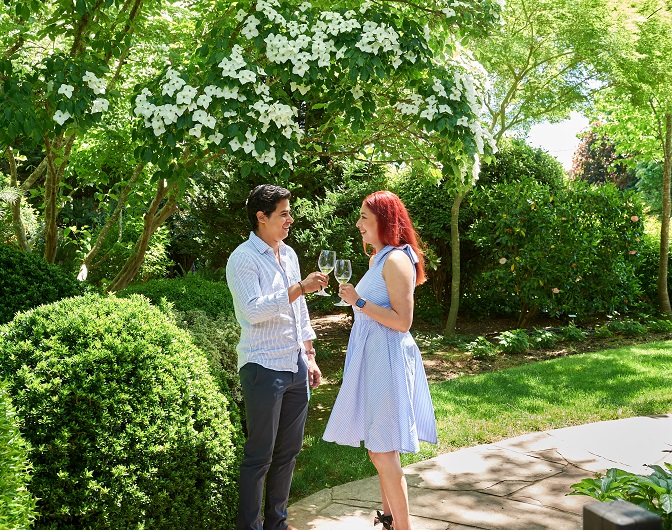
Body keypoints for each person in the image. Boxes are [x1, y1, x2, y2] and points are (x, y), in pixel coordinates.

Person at [323, 190, 438, 530]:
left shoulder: (397, 260)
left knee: (384, 452)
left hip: (387, 360)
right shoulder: (378, 259)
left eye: (364, 218)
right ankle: (387, 519)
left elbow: (403, 321)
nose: (358, 224)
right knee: (378, 449)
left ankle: (402, 528)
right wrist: (356, 301)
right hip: (372, 359)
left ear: (384, 223)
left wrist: (358, 302)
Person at [226, 184, 328, 530]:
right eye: (283, 213)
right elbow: (253, 311)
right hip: (262, 367)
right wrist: (300, 287)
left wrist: (310, 354)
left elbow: (298, 312)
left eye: (289, 212)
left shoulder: (290, 253)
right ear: (261, 217)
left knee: (287, 455)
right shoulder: (242, 258)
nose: (290, 219)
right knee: (259, 458)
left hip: (295, 365)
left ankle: (278, 524)